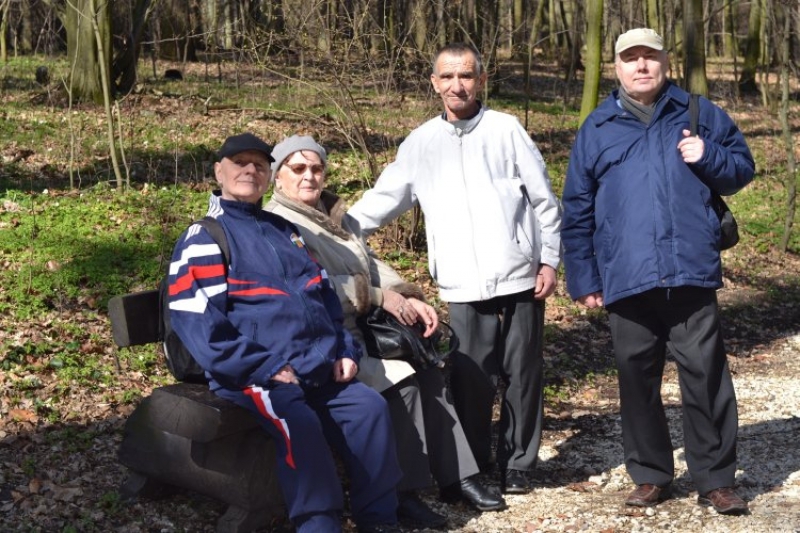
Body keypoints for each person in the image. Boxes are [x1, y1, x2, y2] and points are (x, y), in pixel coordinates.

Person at [348, 43, 563, 496]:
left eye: (465, 76)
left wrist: (549, 259)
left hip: (520, 275)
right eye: (447, 77)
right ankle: (476, 461)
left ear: (481, 81)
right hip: (462, 282)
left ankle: (519, 463)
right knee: (471, 378)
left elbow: (544, 200)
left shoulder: (506, 130)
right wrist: (333, 227)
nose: (456, 85)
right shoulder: (421, 143)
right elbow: (384, 199)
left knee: (522, 374)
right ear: (434, 84)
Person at [265, 135, 506, 527]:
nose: (309, 177)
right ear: (278, 177)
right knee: (400, 381)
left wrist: (405, 296)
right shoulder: (280, 224)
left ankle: (457, 476)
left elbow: (372, 262)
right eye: (298, 169)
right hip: (327, 335)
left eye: (316, 168)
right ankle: (400, 493)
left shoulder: (332, 214)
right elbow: (308, 288)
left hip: (366, 325)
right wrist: (377, 297)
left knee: (428, 369)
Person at [167, 132, 403, 533]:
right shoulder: (205, 237)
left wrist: (344, 349)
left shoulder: (284, 230)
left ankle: (378, 520)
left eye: (259, 164)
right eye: (239, 162)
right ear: (218, 172)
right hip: (253, 376)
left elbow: (324, 297)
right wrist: (265, 367)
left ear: (268, 176)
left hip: (314, 365)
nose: (249, 170)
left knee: (368, 409)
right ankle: (319, 524)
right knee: (299, 422)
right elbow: (201, 324)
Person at [561, 28, 754, 515]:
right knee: (635, 378)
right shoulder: (597, 128)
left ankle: (715, 479)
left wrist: (707, 155)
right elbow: (577, 208)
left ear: (665, 63)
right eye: (631, 59)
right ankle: (650, 474)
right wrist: (583, 277)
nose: (641, 66)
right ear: (617, 67)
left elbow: (741, 168)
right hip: (625, 275)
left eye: (650, 57)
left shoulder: (698, 112)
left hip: (688, 270)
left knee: (705, 376)